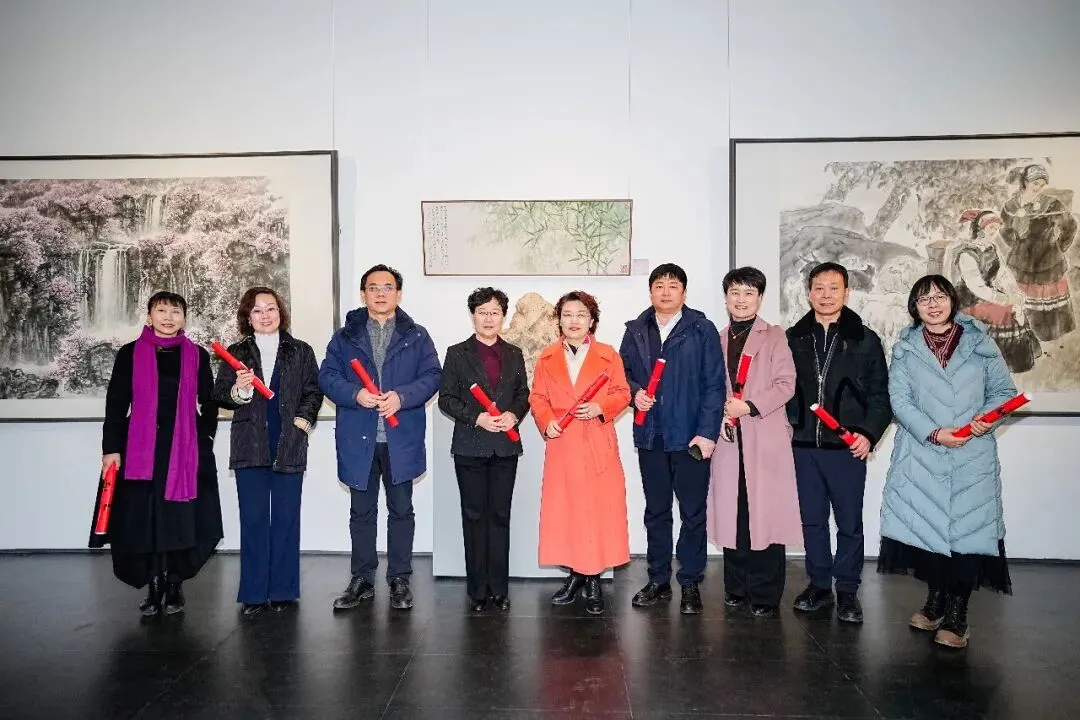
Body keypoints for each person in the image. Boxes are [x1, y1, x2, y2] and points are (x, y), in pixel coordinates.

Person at [877, 275, 1015, 648]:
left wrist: (985, 420)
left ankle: (958, 613)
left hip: (971, 452)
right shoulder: (905, 349)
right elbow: (899, 400)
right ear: (915, 307)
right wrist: (935, 433)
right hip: (923, 452)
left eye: (939, 296)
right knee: (927, 530)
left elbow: (1003, 391)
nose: (933, 304)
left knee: (968, 534)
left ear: (952, 300)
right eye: (924, 299)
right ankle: (936, 599)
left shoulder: (980, 342)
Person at [89, 291, 223, 617]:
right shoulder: (129, 353)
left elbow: (209, 399)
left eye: (175, 311)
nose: (168, 317)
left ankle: (174, 582)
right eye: (161, 310)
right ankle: (154, 585)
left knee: (180, 518)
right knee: (146, 520)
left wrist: (205, 434)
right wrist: (111, 449)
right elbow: (116, 404)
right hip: (141, 450)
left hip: (184, 449)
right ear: (149, 316)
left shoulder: (196, 355)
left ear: (184, 318)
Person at [318, 264, 442, 611]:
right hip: (359, 438)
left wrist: (402, 397)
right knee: (361, 512)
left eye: (388, 287)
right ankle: (362, 579)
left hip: (400, 439)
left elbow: (433, 375)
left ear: (398, 293)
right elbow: (327, 376)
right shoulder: (344, 337)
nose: (381, 293)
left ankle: (400, 578)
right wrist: (355, 393)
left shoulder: (417, 335)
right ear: (364, 294)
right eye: (373, 288)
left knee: (401, 510)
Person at [785, 262, 892, 623]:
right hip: (803, 446)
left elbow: (880, 396)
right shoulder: (793, 338)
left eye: (834, 288)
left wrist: (868, 434)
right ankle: (818, 585)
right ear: (809, 293)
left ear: (847, 293)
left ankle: (847, 590)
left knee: (849, 523)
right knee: (812, 521)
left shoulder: (866, 339)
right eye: (819, 288)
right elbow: (782, 389)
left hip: (846, 448)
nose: (826, 295)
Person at [619, 263, 725, 615]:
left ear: (684, 292)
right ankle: (658, 579)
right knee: (657, 511)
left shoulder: (701, 329)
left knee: (693, 512)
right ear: (651, 291)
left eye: (673, 285)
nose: (665, 291)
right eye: (659, 285)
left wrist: (707, 433)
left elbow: (714, 384)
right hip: (651, 435)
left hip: (691, 437)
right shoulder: (636, 329)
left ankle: (690, 581)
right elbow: (622, 374)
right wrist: (634, 393)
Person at [212, 286, 324, 617]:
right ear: (248, 317)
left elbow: (314, 390)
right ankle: (254, 593)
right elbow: (220, 394)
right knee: (254, 520)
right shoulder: (236, 352)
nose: (265, 315)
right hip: (250, 446)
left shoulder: (300, 350)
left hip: (289, 444)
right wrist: (239, 390)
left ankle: (283, 590)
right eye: (257, 310)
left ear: (280, 312)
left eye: (271, 308)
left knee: (287, 520)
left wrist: (303, 422)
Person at [706, 267, 802, 617]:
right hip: (729, 437)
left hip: (764, 435)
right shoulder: (717, 338)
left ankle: (765, 593)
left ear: (759, 298)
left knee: (765, 514)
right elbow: (710, 386)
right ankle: (736, 586)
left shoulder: (774, 336)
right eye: (735, 292)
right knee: (734, 512)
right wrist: (721, 413)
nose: (741, 299)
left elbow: (786, 384)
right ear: (726, 298)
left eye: (749, 293)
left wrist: (748, 406)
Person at [529, 290, 631, 616]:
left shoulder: (608, 355)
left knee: (597, 512)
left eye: (581, 315)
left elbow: (623, 393)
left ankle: (593, 579)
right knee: (566, 512)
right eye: (567, 315)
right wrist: (547, 421)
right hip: (563, 442)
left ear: (591, 321)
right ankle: (575, 576)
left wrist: (601, 406)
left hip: (596, 440)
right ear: (559, 320)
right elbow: (538, 398)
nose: (573, 321)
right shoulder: (546, 358)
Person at [437, 287, 531, 612]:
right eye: (482, 312)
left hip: (505, 447)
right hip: (470, 446)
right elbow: (446, 398)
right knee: (474, 517)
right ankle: (477, 590)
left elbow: (523, 394)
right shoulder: (456, 353)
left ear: (502, 316)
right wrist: (477, 418)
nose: (488, 319)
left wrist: (513, 415)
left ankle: (499, 589)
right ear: (473, 315)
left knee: (500, 517)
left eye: (494, 313)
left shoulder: (514, 353)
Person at [948, 209, 1040, 373]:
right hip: (970, 299)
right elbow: (976, 286)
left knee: (1015, 305)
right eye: (991, 228)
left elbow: (1003, 274)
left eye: (997, 229)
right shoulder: (967, 254)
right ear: (980, 228)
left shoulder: (992, 248)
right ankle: (996, 363)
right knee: (1004, 311)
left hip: (988, 292)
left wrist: (1013, 292)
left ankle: (1013, 361)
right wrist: (1004, 299)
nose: (995, 232)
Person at [999, 164, 1078, 341]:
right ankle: (1027, 337)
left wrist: (1059, 247)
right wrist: (1018, 246)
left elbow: (1070, 226)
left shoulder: (1051, 204)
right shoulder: (1010, 206)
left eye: (1042, 185)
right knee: (1022, 300)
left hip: (1048, 260)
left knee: (1049, 301)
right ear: (1025, 181)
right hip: (1021, 261)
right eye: (1035, 183)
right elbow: (1004, 229)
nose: (1039, 188)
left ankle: (1052, 337)